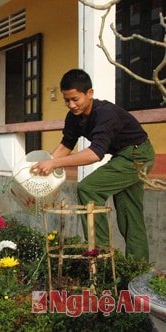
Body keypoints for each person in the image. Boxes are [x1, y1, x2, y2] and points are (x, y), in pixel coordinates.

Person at [31, 69, 155, 261]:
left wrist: (54, 163)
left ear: (90, 93)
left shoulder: (105, 113)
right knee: (130, 214)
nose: (71, 105)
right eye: (67, 100)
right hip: (124, 155)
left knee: (89, 188)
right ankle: (138, 268)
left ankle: (100, 253)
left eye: (75, 99)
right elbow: (66, 145)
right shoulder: (74, 117)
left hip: (137, 155)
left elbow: (95, 154)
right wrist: (43, 168)